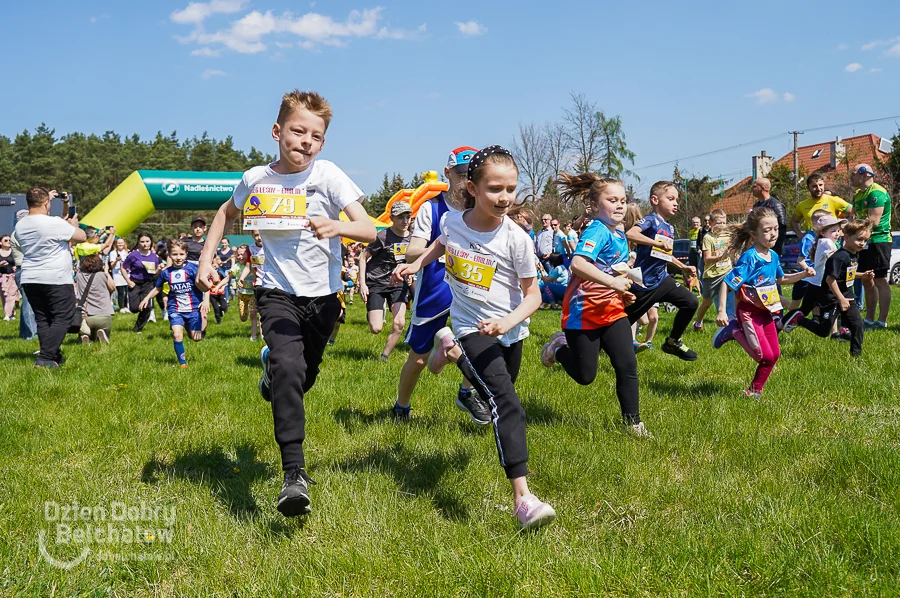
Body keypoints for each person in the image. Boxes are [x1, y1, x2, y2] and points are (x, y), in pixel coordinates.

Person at [196, 89, 377, 517]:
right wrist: (206, 257)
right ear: (278, 132)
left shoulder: (329, 176)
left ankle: (273, 377)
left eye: (316, 136)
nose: (306, 142)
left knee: (302, 376)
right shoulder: (256, 178)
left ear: (323, 142)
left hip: (324, 298)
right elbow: (225, 213)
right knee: (290, 369)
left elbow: (369, 229)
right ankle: (293, 474)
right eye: (298, 131)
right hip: (276, 293)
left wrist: (336, 226)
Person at [394, 145, 555, 531]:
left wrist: (508, 321)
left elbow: (533, 295)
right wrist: (417, 262)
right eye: (495, 189)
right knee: (507, 402)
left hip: (510, 330)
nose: (504, 198)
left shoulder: (516, 239)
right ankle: (523, 499)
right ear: (472, 188)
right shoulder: (452, 221)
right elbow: (441, 243)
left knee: (498, 393)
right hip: (470, 327)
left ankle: (444, 353)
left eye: (511, 189)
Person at [539, 173, 650, 438]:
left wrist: (623, 292)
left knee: (627, 364)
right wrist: (613, 285)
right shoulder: (597, 230)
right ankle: (558, 347)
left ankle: (633, 424)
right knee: (585, 375)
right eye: (612, 200)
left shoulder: (619, 233)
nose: (620, 205)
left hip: (612, 310)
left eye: (623, 200)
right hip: (583, 311)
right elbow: (579, 264)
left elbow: (613, 270)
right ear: (594, 205)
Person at [391, 146, 485, 423]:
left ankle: (467, 392)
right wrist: (446, 249)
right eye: (460, 174)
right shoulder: (431, 209)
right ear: (447, 173)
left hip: (472, 289)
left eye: (473, 175)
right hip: (434, 290)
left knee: (482, 341)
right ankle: (401, 407)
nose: (466, 181)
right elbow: (411, 251)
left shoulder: (482, 209)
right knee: (418, 360)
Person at [712, 207, 814, 398]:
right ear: (754, 234)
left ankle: (753, 392)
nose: (773, 233)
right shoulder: (749, 258)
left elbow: (781, 280)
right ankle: (733, 330)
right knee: (763, 356)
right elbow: (727, 283)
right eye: (767, 230)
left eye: (775, 228)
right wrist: (721, 311)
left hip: (766, 312)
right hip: (748, 313)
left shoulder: (773, 256)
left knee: (774, 355)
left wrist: (803, 274)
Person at [624, 181, 699, 361]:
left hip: (662, 280)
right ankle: (587, 344)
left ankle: (672, 342)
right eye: (671, 199)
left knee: (691, 302)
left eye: (677, 200)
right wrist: (656, 242)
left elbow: (664, 254)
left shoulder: (670, 227)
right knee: (622, 322)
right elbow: (631, 234)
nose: (676, 203)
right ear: (655, 200)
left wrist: (683, 267)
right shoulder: (650, 220)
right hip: (644, 284)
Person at [15, 187, 87, 367]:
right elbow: (82, 237)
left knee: (43, 318)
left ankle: (52, 355)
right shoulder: (54, 223)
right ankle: (45, 358)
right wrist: (73, 225)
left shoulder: (21, 225)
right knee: (63, 317)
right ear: (47, 203)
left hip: (30, 277)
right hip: (55, 278)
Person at [785, 220, 873, 356]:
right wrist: (841, 298)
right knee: (823, 331)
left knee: (858, 324)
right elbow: (830, 279)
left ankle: (856, 356)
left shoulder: (854, 254)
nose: (862, 243)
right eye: (859, 239)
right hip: (832, 297)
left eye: (865, 240)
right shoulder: (839, 257)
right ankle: (799, 319)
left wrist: (863, 275)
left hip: (847, 295)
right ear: (847, 238)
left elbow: (846, 273)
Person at [139, 240, 209, 367]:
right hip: (175, 309)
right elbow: (157, 288)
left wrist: (206, 300)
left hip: (193, 309)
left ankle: (191, 327)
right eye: (175, 254)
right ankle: (183, 363)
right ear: (169, 255)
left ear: (186, 254)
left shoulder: (193, 269)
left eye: (181, 254)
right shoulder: (166, 272)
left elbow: (206, 285)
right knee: (177, 335)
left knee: (196, 338)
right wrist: (146, 299)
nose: (178, 258)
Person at [358, 201, 412, 361]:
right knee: (376, 328)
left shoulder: (413, 239)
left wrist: (409, 272)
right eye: (401, 217)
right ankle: (373, 312)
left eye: (408, 217)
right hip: (376, 283)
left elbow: (411, 259)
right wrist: (362, 283)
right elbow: (362, 257)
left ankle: (384, 357)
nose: (405, 221)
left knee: (400, 322)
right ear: (392, 218)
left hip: (398, 284)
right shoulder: (382, 237)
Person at [849, 164, 892, 329]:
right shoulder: (858, 194)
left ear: (864, 174)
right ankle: (869, 319)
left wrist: (852, 228)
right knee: (867, 279)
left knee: (880, 280)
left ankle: (882, 321)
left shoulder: (877, 192)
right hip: (864, 242)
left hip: (878, 241)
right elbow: (854, 218)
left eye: (853, 174)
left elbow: (873, 222)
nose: (851, 178)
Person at [692, 209, 734, 330]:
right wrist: (721, 257)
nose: (722, 226)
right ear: (710, 223)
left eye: (724, 222)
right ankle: (698, 322)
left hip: (727, 271)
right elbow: (707, 258)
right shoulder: (708, 238)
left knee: (732, 297)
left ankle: (731, 322)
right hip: (712, 275)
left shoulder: (727, 235)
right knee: (706, 303)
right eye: (719, 223)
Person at [122, 232, 161, 333]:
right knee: (135, 308)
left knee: (147, 307)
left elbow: (154, 272)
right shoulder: (133, 255)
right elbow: (123, 266)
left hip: (148, 283)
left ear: (151, 242)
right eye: (142, 241)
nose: (145, 244)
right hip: (134, 282)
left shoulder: (154, 256)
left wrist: (159, 270)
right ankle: (134, 307)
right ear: (138, 242)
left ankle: (138, 328)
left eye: (147, 241)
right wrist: (128, 281)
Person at [75, 253, 116, 344]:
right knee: (102, 334)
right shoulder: (102, 275)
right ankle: (101, 334)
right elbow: (113, 288)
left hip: (85, 315)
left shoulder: (79, 276)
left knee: (85, 331)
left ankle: (85, 336)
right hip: (103, 315)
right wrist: (106, 272)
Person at [10, 211, 37, 339]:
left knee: (27, 302)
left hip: (24, 269)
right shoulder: (19, 234)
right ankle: (32, 334)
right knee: (30, 303)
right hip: (25, 269)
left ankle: (25, 333)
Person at [237, 230, 265, 341]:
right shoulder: (251, 249)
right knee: (257, 310)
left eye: (261, 234)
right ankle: (255, 336)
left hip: (271, 281)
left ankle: (264, 335)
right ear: (252, 235)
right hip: (258, 283)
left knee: (265, 310)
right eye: (256, 235)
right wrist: (241, 278)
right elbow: (248, 267)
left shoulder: (270, 246)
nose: (259, 237)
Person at [750, 177, 787, 256]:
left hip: (773, 251)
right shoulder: (756, 206)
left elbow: (782, 229)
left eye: (754, 186)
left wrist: (774, 250)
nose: (752, 189)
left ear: (762, 188)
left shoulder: (776, 205)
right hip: (759, 250)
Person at [107, 237, 131, 312]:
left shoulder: (127, 252)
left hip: (127, 274)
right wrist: (117, 260)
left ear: (124, 243)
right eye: (118, 243)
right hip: (118, 274)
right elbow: (112, 266)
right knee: (120, 291)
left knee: (127, 291)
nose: (120, 244)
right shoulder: (113, 253)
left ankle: (127, 306)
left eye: (121, 242)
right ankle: (121, 307)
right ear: (116, 244)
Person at [0, 235, 18, 320]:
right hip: (2, 277)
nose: (8, 242)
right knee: (4, 296)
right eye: (6, 240)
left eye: (9, 240)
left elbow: (19, 261)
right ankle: (11, 314)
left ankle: (7, 315)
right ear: (1, 243)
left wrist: (16, 267)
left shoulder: (13, 252)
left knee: (11, 295)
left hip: (12, 277)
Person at [208, 255, 230, 324]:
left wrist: (222, 288)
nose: (214, 268)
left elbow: (225, 282)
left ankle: (221, 310)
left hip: (220, 293)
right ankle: (218, 321)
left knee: (224, 307)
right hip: (212, 294)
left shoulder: (220, 273)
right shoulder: (207, 275)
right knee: (215, 308)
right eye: (212, 266)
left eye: (215, 266)